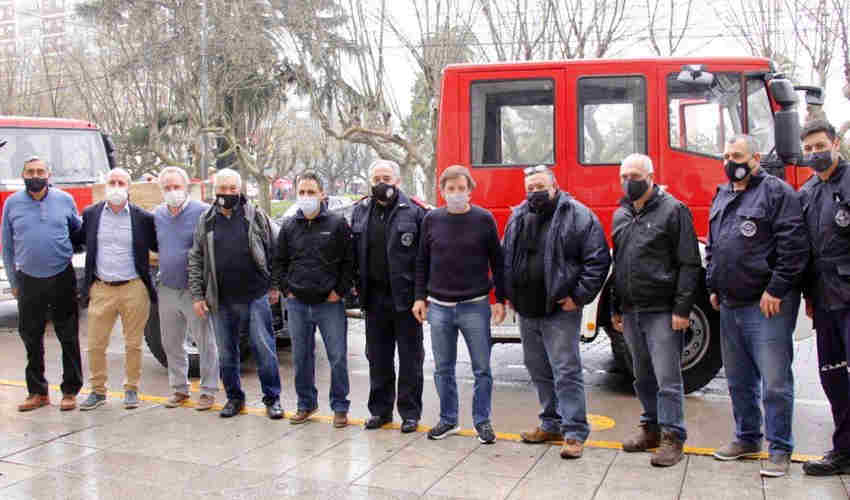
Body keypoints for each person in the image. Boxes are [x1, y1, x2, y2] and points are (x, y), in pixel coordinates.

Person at [705, 134, 808, 477]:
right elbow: (715, 246)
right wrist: (713, 286)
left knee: (775, 381)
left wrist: (776, 289)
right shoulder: (722, 194)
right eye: (726, 155)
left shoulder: (777, 192)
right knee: (738, 379)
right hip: (731, 303)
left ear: (755, 157)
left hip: (767, 305)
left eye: (737, 155)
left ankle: (779, 448)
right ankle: (747, 437)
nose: (730, 161)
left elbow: (794, 247)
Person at [502, 164, 610, 459]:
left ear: (555, 185)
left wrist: (578, 296)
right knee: (538, 369)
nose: (535, 192)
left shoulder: (578, 215)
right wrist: (509, 293)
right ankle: (550, 423)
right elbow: (506, 256)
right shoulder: (518, 216)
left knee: (566, 370)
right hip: (527, 309)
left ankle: (574, 431)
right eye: (530, 188)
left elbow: (598, 259)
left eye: (540, 187)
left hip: (560, 310)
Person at [610, 154, 701, 467]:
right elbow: (618, 263)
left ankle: (673, 436)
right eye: (623, 176)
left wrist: (682, 308)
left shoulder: (674, 210)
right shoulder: (621, 214)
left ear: (651, 176)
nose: (628, 181)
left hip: (662, 310)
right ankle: (650, 428)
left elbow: (689, 263)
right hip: (631, 309)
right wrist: (615, 306)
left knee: (668, 378)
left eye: (634, 175)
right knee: (642, 376)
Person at [413, 165, 506, 444]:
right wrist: (420, 297)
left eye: (461, 189)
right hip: (439, 307)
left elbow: (498, 263)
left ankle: (483, 421)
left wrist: (499, 299)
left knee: (482, 369)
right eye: (450, 189)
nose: (455, 194)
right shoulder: (431, 220)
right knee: (443, 368)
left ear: (470, 191)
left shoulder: (484, 219)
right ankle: (448, 419)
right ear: (442, 192)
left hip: (475, 306)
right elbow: (421, 261)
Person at [187, 168, 283, 419]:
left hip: (254, 296)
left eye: (232, 188)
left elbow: (274, 252)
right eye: (223, 188)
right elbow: (196, 257)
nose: (227, 193)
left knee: (264, 349)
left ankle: (272, 399)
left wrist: (274, 286)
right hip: (221, 299)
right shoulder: (206, 220)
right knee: (227, 352)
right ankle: (234, 398)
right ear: (214, 190)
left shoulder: (256, 217)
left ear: (240, 190)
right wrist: (197, 295)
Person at [273, 171, 354, 428]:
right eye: (302, 193)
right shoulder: (288, 226)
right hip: (297, 303)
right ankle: (305, 404)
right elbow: (279, 262)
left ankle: (340, 407)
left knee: (337, 357)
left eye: (311, 192)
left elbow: (348, 262)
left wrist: (338, 292)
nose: (306, 197)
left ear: (322, 195)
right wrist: (287, 289)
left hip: (329, 304)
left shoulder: (337, 224)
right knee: (301, 357)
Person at [1, 156, 83, 412]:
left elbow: (78, 233)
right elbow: (7, 246)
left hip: (61, 276)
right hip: (28, 279)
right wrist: (14, 281)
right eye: (30, 172)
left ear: (49, 175)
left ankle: (70, 391)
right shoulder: (12, 204)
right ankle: (37, 392)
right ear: (23, 175)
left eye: (40, 171)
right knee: (31, 336)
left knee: (68, 335)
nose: (35, 176)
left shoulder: (65, 200)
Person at [351, 159, 426, 434]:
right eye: (376, 179)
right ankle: (380, 412)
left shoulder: (415, 212)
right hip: (374, 299)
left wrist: (421, 296)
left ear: (397, 181)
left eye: (386, 178)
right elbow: (354, 255)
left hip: (406, 300)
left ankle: (409, 413)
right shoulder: (360, 211)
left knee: (410, 359)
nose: (381, 184)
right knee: (378, 358)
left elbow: (422, 260)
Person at [77, 168, 158, 411]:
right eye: (112, 182)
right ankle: (98, 390)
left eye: (121, 182)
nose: (116, 186)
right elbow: (80, 241)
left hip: (133, 287)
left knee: (133, 344)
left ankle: (131, 388)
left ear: (128, 187)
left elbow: (158, 244)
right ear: (105, 185)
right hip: (101, 287)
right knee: (95, 344)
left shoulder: (142, 218)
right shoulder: (91, 214)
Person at [798, 120, 850, 476]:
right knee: (832, 376)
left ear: (835, 143)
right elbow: (805, 250)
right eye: (810, 149)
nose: (815, 153)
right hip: (824, 299)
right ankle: (844, 450)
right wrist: (807, 294)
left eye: (820, 146)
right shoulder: (807, 192)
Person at [153, 166, 219, 411]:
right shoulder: (158, 215)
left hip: (194, 291)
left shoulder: (203, 212)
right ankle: (179, 389)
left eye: (176, 187)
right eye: (167, 188)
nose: (172, 192)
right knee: (171, 342)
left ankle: (208, 391)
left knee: (205, 342)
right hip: (167, 287)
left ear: (186, 186)